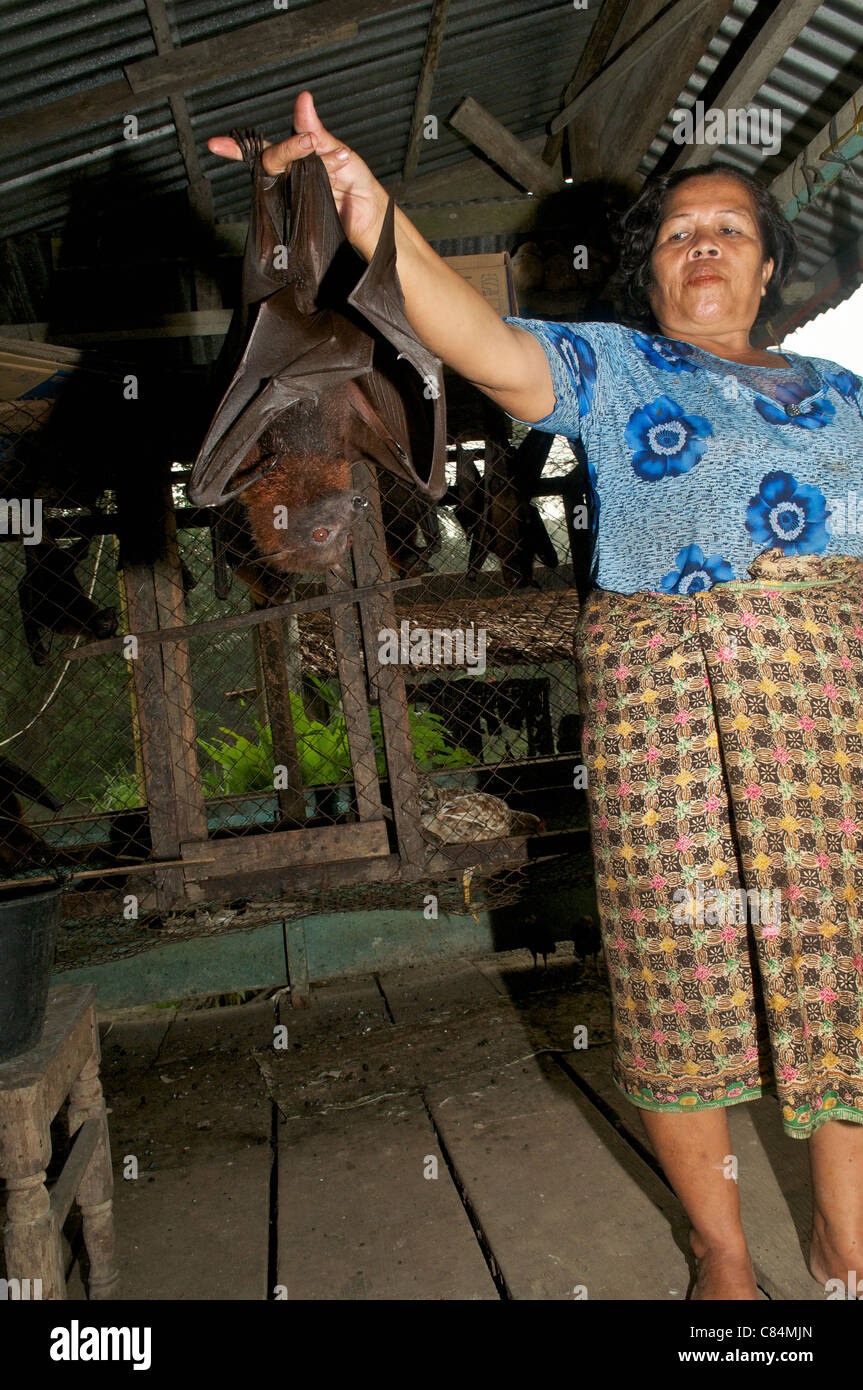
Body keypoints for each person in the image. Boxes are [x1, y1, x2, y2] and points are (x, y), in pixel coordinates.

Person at [209, 91, 863, 1301]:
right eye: (678, 234)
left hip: (827, 720)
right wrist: (371, 218)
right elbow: (478, 340)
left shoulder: (844, 395)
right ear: (649, 273)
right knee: (678, 972)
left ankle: (842, 1246)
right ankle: (720, 1256)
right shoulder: (608, 367)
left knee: (845, 965)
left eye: (728, 229)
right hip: (664, 716)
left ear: (768, 267)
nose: (704, 245)